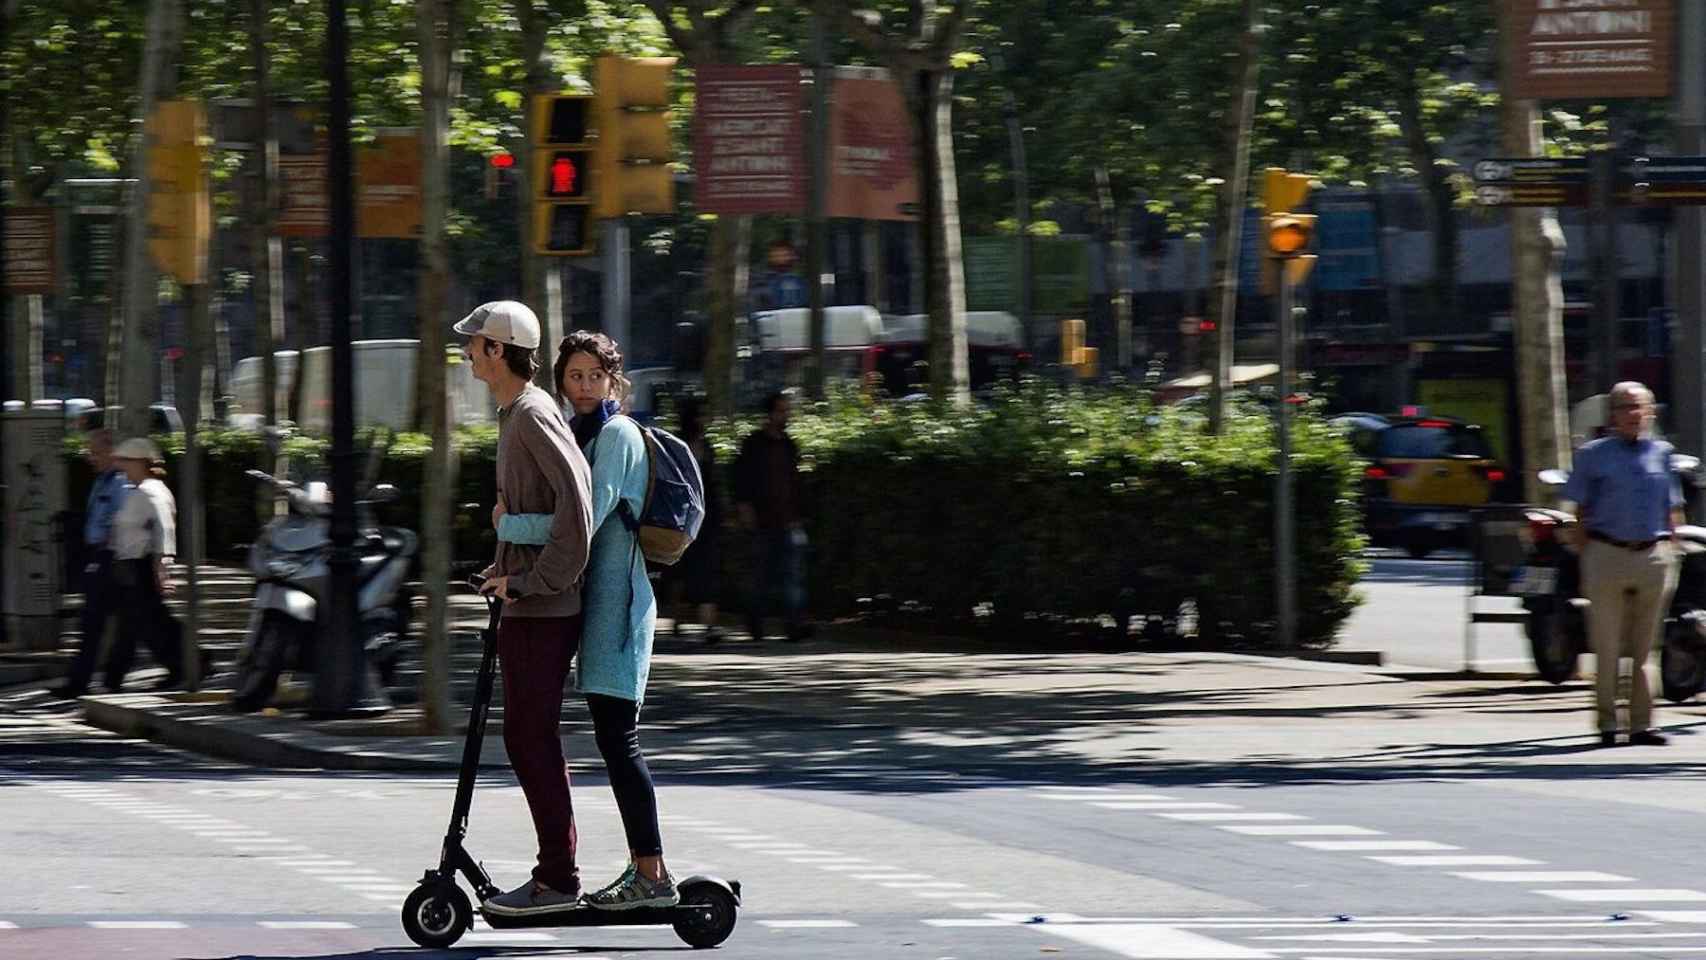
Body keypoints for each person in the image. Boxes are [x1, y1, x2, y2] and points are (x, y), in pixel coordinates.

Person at [499, 330, 678, 910]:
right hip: (594, 609)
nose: (582, 387)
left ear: (613, 381)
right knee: (610, 737)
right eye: (574, 376)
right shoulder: (579, 434)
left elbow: (585, 519)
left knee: (619, 740)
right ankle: (645, 872)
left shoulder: (618, 435)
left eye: (594, 377)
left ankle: (652, 876)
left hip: (618, 612)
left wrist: (509, 524)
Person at [457, 300, 596, 916]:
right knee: (526, 735)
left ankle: (558, 878)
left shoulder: (533, 415)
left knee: (530, 736)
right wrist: (502, 568)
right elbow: (541, 511)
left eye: (474, 343)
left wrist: (534, 582)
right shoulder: (518, 413)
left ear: (498, 350)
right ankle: (555, 873)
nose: (466, 352)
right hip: (529, 603)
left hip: (545, 609)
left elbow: (578, 507)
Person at [1561, 381, 1684, 748]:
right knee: (1608, 645)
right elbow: (1578, 509)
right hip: (1606, 554)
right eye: (1625, 407)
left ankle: (1643, 724)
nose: (1633, 414)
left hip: (1653, 555)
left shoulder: (1662, 454)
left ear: (1651, 413)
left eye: (1639, 407)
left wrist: (1672, 546)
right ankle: (1607, 723)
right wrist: (1587, 551)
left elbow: (1673, 506)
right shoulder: (1593, 455)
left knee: (1647, 647)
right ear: (1612, 415)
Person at [57, 428, 133, 697]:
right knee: (114, 622)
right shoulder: (104, 480)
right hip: (102, 557)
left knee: (98, 622)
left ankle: (88, 680)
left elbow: (122, 520)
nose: (91, 457)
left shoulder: (120, 482)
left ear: (113, 453)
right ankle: (103, 678)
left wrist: (104, 554)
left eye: (96, 452)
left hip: (111, 558)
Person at [105, 438, 183, 691]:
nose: (121, 467)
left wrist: (162, 568)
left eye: (125, 461)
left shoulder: (152, 491)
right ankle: (114, 677)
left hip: (141, 567)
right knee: (142, 623)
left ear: (140, 462)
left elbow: (164, 529)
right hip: (129, 566)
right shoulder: (137, 490)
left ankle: (187, 664)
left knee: (146, 625)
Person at [733, 390, 809, 642]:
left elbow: (795, 482)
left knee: (792, 576)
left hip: (787, 520)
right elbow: (741, 481)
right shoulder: (754, 444)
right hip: (762, 520)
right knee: (760, 575)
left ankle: (793, 624)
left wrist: (798, 514)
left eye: (787, 411)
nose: (785, 415)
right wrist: (745, 509)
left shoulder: (789, 445)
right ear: (769, 414)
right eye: (780, 411)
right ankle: (755, 623)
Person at [671, 396, 725, 644]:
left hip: (707, 519)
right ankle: (678, 618)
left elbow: (713, 485)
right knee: (682, 570)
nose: (705, 420)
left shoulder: (707, 447)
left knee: (707, 570)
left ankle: (708, 625)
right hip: (681, 517)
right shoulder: (677, 445)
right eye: (701, 415)